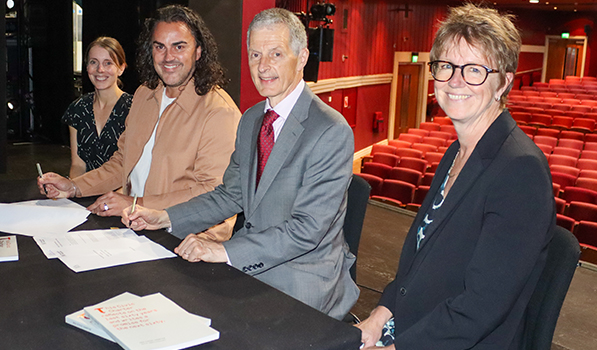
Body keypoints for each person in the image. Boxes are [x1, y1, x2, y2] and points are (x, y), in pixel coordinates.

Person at [122, 8, 359, 321]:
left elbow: (306, 231)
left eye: (276, 53)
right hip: (249, 263)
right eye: (256, 54)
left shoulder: (330, 130)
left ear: (302, 58)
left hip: (302, 279)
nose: (263, 67)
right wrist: (165, 218)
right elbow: (230, 194)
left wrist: (226, 251)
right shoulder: (251, 120)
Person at [355, 4, 555, 349]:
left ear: (503, 82)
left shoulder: (521, 171)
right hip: (413, 325)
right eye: (446, 66)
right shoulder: (456, 152)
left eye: (474, 69)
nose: (455, 80)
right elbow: (417, 262)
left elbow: (481, 307)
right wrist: (379, 316)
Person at [38, 5, 241, 241]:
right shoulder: (145, 95)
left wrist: (136, 203)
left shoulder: (218, 112)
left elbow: (212, 194)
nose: (168, 57)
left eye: (179, 46)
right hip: (132, 228)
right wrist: (75, 187)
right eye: (159, 47)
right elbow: (123, 162)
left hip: (187, 240)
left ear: (198, 52)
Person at [63, 37, 133, 178]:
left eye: (108, 63)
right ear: (87, 67)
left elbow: (134, 167)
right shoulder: (78, 109)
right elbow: (78, 165)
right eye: (93, 62)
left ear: (121, 68)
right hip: (87, 193)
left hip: (123, 194)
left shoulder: (134, 108)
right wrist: (73, 188)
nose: (100, 70)